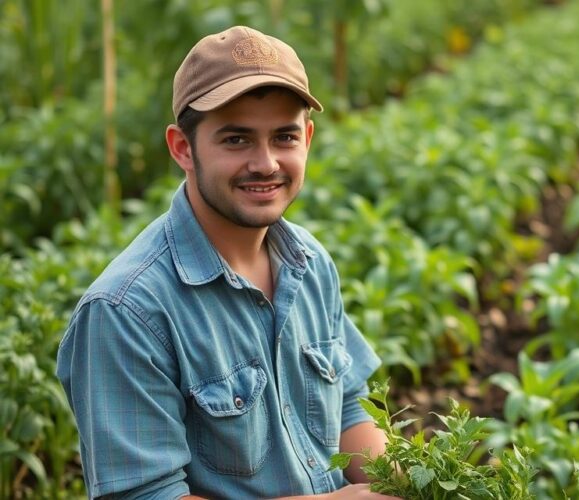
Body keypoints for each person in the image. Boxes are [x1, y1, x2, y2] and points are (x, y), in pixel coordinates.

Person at [57, 26, 400, 499]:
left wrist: (413, 482)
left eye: (284, 137)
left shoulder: (308, 261)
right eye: (237, 140)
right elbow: (145, 494)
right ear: (182, 148)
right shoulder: (126, 311)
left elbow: (346, 409)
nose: (266, 163)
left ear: (308, 139)